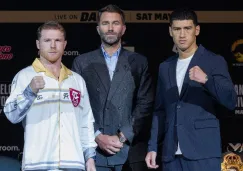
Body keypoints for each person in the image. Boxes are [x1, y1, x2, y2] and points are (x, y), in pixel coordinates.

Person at [145, 8, 237, 171]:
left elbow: (230, 101)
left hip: (203, 152)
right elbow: (159, 110)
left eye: (187, 28)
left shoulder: (214, 61)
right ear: (170, 31)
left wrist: (207, 80)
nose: (182, 35)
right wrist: (152, 146)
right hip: (171, 154)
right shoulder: (165, 67)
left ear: (197, 30)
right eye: (177, 29)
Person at [4, 21, 97, 171]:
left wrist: (90, 158)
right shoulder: (25, 76)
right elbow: (11, 115)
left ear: (65, 44)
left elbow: (86, 122)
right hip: (37, 165)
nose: (53, 46)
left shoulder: (76, 80)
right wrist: (30, 91)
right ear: (38, 44)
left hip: (73, 164)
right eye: (47, 40)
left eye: (58, 40)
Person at [72, 4, 154, 171]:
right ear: (98, 28)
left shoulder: (139, 62)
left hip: (129, 153)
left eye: (115, 23)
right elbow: (76, 106)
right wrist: (96, 136)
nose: (110, 28)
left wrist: (122, 136)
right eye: (105, 23)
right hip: (93, 154)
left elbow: (145, 103)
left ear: (123, 29)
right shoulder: (82, 62)